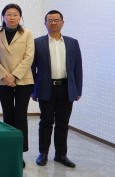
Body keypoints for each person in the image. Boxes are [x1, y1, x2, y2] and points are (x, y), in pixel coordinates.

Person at [32, 10, 83, 168]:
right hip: (46, 88)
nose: (53, 23)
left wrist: (78, 90)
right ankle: (43, 153)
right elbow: (32, 68)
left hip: (66, 88)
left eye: (56, 20)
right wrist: (33, 90)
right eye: (50, 20)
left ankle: (61, 155)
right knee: (45, 122)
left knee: (63, 123)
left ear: (62, 22)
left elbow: (78, 68)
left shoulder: (72, 43)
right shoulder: (37, 42)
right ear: (45, 23)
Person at [0, 3, 34, 166]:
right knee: (8, 115)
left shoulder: (27, 34)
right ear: (3, 17)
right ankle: (8, 150)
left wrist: (14, 76)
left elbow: (29, 57)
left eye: (15, 14)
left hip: (23, 80)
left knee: (21, 116)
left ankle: (19, 153)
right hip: (3, 81)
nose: (12, 17)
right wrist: (5, 76)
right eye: (8, 14)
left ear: (20, 17)